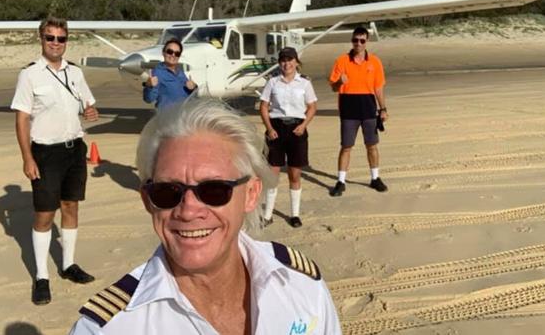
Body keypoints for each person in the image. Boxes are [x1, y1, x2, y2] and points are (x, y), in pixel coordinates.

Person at [69, 98, 341, 334]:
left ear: (251, 194)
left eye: (214, 190)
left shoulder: (302, 285)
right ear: (148, 201)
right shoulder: (107, 328)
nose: (188, 210)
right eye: (167, 192)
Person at [11, 17, 98, 305]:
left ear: (66, 41)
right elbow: (22, 118)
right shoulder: (30, 75)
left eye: (61, 38)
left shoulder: (76, 72)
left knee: (70, 206)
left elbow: (88, 103)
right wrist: (27, 158)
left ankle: (68, 265)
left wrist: (90, 112)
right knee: (45, 215)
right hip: (45, 153)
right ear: (42, 39)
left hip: (75, 149)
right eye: (50, 38)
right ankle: (41, 276)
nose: (56, 43)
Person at [259, 47, 317, 228]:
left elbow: (312, 107)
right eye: (283, 60)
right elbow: (263, 106)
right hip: (276, 128)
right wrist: (269, 128)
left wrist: (303, 125)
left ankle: (294, 214)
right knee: (273, 174)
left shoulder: (305, 83)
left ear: (296, 62)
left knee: (294, 174)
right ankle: (268, 215)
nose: (287, 63)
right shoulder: (273, 82)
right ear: (279, 63)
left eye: (290, 60)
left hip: (296, 129)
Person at [328, 26, 389, 197]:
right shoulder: (341, 61)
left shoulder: (375, 62)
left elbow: (378, 87)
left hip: (369, 108)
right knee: (346, 146)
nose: (358, 43)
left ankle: (375, 178)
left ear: (367, 41)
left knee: (371, 145)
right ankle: (341, 181)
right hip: (348, 109)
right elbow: (333, 87)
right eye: (355, 40)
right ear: (352, 41)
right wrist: (340, 82)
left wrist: (383, 108)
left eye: (362, 40)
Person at [142, 38, 197, 109]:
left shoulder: (180, 71)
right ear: (163, 53)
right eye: (170, 51)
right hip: (168, 117)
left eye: (177, 53)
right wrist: (149, 86)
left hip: (184, 115)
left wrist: (193, 88)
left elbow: (193, 95)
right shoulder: (157, 73)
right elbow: (149, 99)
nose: (173, 55)